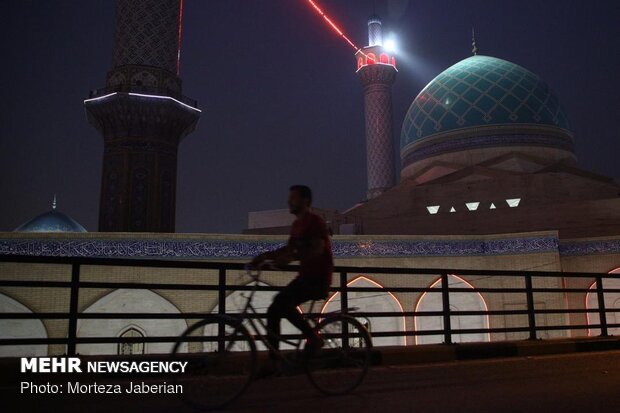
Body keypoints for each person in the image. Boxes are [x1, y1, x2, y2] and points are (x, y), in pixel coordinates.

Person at [250, 185, 333, 363]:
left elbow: (317, 250)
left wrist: (291, 257)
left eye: (293, 198)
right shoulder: (297, 225)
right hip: (305, 278)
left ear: (306, 201)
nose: (289, 201)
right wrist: (265, 257)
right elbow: (289, 250)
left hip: (317, 279)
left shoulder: (315, 221)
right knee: (274, 310)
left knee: (280, 305)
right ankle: (276, 361)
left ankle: (313, 338)